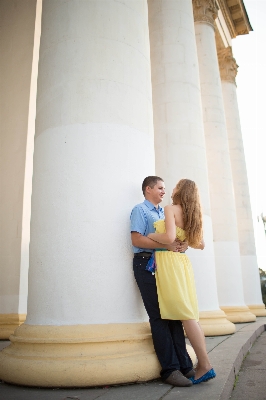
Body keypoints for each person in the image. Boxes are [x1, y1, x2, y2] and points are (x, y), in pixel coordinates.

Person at [147, 178, 216, 384]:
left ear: (181, 191)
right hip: (182, 264)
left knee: (186, 316)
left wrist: (150, 234)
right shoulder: (193, 215)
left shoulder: (170, 208)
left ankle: (205, 365)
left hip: (170, 264)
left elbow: (168, 238)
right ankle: (203, 364)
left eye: (175, 185)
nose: (172, 188)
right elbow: (200, 244)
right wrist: (185, 241)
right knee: (189, 315)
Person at [130, 176, 194, 387]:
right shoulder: (140, 210)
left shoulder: (165, 211)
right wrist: (165, 246)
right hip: (145, 264)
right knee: (158, 316)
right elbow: (137, 239)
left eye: (165, 188)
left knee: (173, 313)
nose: (164, 191)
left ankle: (185, 366)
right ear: (148, 189)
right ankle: (170, 370)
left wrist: (182, 246)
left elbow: (176, 238)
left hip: (166, 266)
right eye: (160, 188)